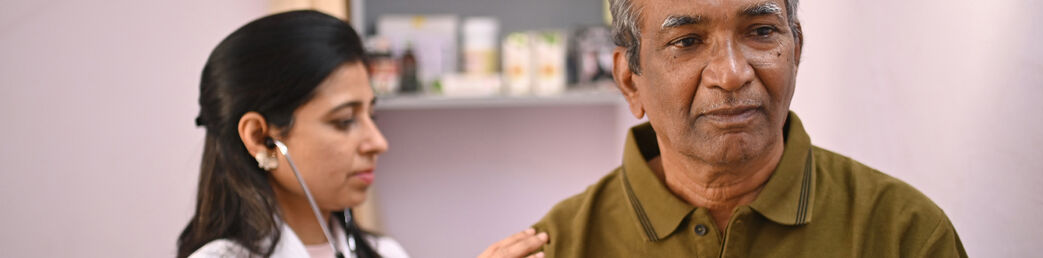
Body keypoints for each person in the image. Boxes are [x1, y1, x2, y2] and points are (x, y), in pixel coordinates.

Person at [529, 0, 969, 257]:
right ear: (630, 79)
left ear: (795, 50)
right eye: (687, 41)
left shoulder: (901, 233)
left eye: (760, 31)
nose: (733, 72)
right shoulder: (563, 244)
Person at [177, 10, 548, 258]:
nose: (378, 143)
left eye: (372, 115)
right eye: (343, 121)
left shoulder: (384, 252)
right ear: (260, 138)